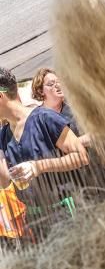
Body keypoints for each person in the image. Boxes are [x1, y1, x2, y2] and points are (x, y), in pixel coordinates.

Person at [0, 67, 88, 236]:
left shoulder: (44, 118)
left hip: (67, 215)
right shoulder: (3, 135)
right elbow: (4, 181)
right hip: (35, 220)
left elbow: (81, 156)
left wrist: (38, 166)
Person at [31, 67, 90, 145]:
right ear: (40, 91)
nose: (58, 86)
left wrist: (70, 145)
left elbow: (94, 135)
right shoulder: (37, 118)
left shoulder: (76, 108)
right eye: (51, 84)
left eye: (59, 82)